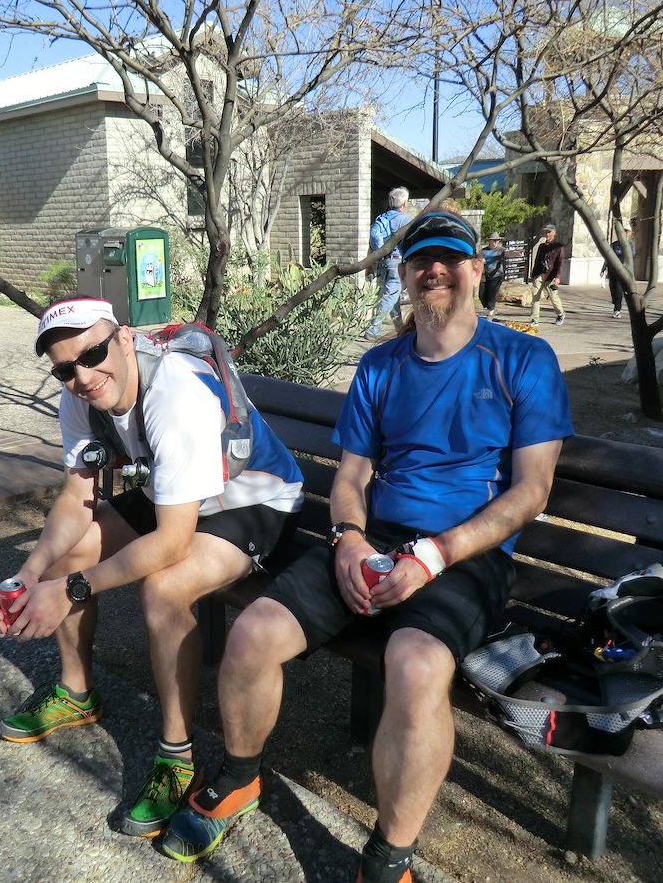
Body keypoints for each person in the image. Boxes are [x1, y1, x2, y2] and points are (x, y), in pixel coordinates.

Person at [160, 212, 574, 881]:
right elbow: (352, 476)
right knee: (254, 633)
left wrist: (433, 557)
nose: (434, 271)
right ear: (404, 275)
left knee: (415, 667)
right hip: (375, 539)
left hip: (466, 556)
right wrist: (348, 539)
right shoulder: (381, 365)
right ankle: (239, 778)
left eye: (449, 259)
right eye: (420, 261)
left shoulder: (523, 360)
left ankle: (388, 858)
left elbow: (531, 491)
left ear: (475, 270)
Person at [0, 296, 304, 839]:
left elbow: (172, 543)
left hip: (253, 499)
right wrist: (31, 573)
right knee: (68, 552)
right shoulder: (80, 394)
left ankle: (176, 755)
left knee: (163, 588)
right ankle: (76, 693)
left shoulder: (174, 393)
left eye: (93, 354)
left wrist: (71, 590)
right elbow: (76, 499)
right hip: (178, 494)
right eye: (65, 369)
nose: (82, 376)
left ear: (124, 338)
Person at [365, 187, 413, 339]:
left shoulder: (381, 218)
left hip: (382, 263)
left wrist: (372, 262)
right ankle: (372, 329)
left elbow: (372, 242)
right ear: (404, 203)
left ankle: (400, 329)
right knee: (389, 296)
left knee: (392, 296)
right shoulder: (405, 220)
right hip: (396, 263)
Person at [528, 223, 566, 325]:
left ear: (554, 233)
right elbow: (537, 260)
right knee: (535, 296)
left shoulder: (559, 247)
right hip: (540, 274)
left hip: (551, 276)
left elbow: (560, 263)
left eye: (549, 232)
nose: (547, 234)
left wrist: (558, 277)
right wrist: (533, 275)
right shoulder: (542, 246)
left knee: (554, 297)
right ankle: (535, 319)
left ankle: (560, 314)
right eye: (546, 232)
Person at [599, 221, 633, 318]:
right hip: (612, 271)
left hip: (622, 271)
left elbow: (631, 259)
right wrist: (603, 269)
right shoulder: (614, 245)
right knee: (612, 288)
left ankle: (617, 309)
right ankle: (615, 303)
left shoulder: (630, 245)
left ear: (630, 233)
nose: (625, 233)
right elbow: (607, 257)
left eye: (627, 231)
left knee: (618, 290)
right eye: (624, 231)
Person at [479, 231, 505, 319]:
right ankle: (489, 309)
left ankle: (490, 312)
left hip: (497, 275)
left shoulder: (501, 250)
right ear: (489, 241)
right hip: (485, 275)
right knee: (482, 294)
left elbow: (508, 253)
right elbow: (478, 259)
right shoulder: (483, 251)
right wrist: (481, 261)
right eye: (494, 240)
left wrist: (517, 253)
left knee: (492, 293)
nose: (495, 242)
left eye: (497, 240)